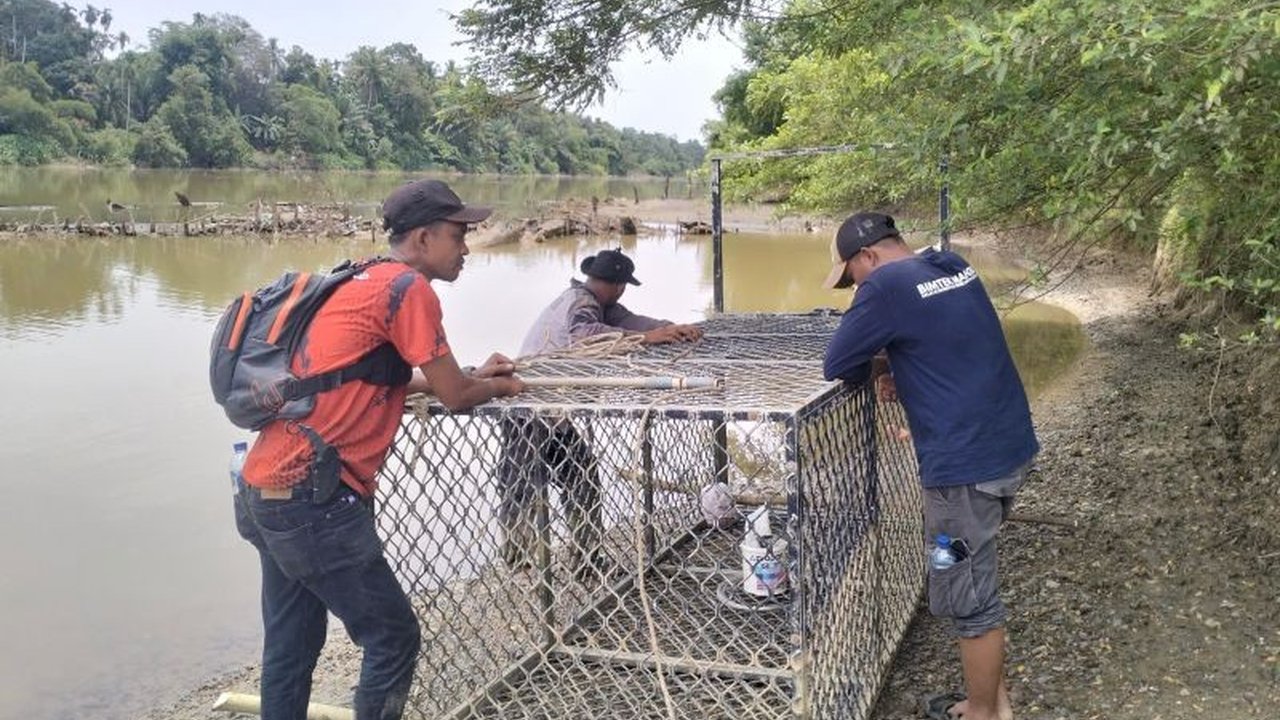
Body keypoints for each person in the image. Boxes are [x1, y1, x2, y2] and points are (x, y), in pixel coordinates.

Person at [233, 178, 525, 720]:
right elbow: (457, 398)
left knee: (292, 643)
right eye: (458, 235)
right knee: (392, 637)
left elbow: (366, 375)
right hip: (313, 500)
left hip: (263, 489)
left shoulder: (359, 277)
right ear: (422, 238)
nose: (466, 248)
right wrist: (501, 386)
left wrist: (469, 375)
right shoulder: (409, 289)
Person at [821, 212, 1038, 720]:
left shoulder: (884, 286)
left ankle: (985, 713)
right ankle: (992, 699)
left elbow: (838, 364)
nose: (855, 288)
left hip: (960, 477)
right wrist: (897, 364)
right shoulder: (949, 264)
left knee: (966, 595)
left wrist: (877, 358)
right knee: (969, 575)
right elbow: (949, 339)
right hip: (1008, 449)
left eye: (852, 277)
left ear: (867, 256)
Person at [498, 249, 702, 575]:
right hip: (528, 410)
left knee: (582, 476)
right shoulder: (581, 302)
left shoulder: (600, 304)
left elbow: (630, 322)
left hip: (553, 410)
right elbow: (583, 336)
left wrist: (670, 328)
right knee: (522, 487)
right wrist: (648, 337)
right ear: (619, 286)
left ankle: (587, 562)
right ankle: (518, 563)